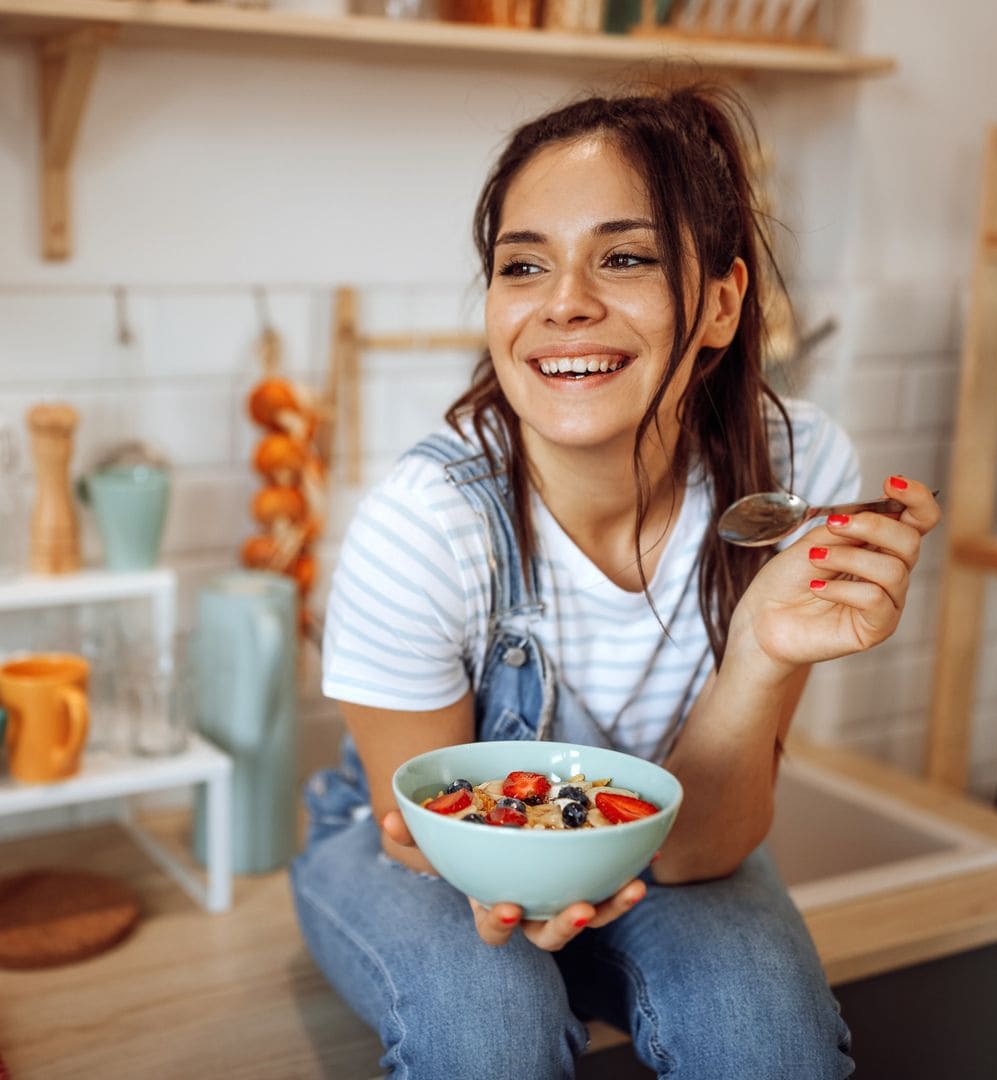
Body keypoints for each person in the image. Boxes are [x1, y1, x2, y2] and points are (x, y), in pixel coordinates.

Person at [291, 83, 940, 1079]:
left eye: (624, 257)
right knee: (488, 1032)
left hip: (678, 834)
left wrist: (765, 642)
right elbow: (432, 835)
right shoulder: (426, 522)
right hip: (421, 856)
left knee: (769, 1044)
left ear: (721, 302)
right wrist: (538, 878)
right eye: (524, 266)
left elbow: (696, 849)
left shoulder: (797, 480)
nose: (565, 303)